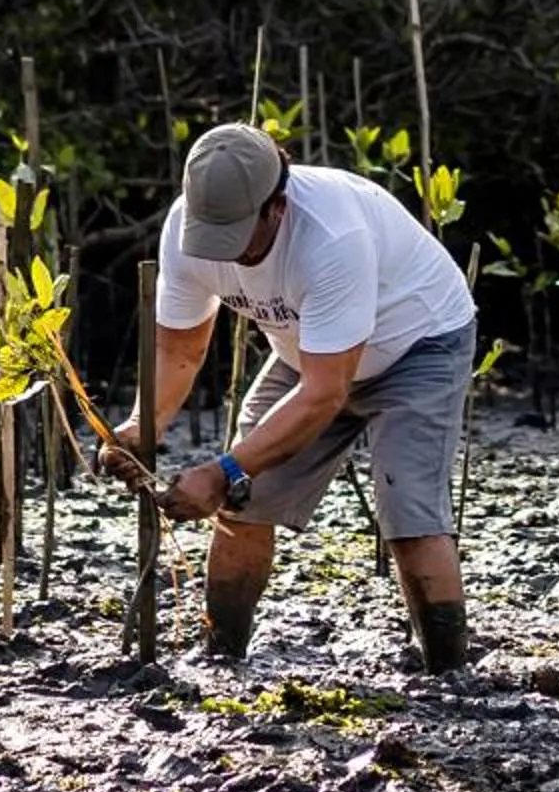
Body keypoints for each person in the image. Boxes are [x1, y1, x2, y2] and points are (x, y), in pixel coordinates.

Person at [103, 121, 479, 672]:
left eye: (236, 234)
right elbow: (180, 354)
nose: (225, 253)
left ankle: (450, 674)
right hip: (310, 352)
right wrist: (141, 427)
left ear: (276, 206)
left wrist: (221, 468)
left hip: (416, 344)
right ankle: (221, 656)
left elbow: (325, 395)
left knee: (409, 513)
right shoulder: (186, 230)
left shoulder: (331, 237)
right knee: (243, 504)